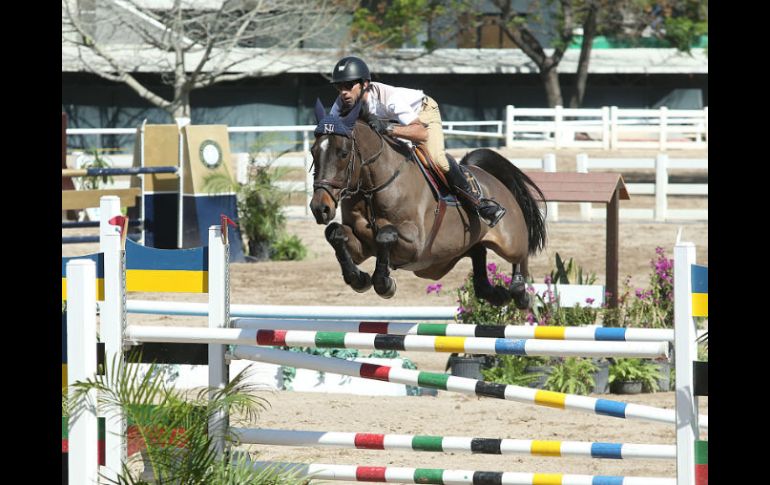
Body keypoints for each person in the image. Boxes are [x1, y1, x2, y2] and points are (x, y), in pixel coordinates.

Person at [328, 56, 506, 228]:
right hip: (394, 122)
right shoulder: (341, 103)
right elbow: (331, 131)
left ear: (365, 84)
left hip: (422, 114)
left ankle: (478, 202)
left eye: (349, 86)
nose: (343, 92)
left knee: (438, 160)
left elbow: (421, 133)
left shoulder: (388, 97)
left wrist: (387, 129)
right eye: (339, 87)